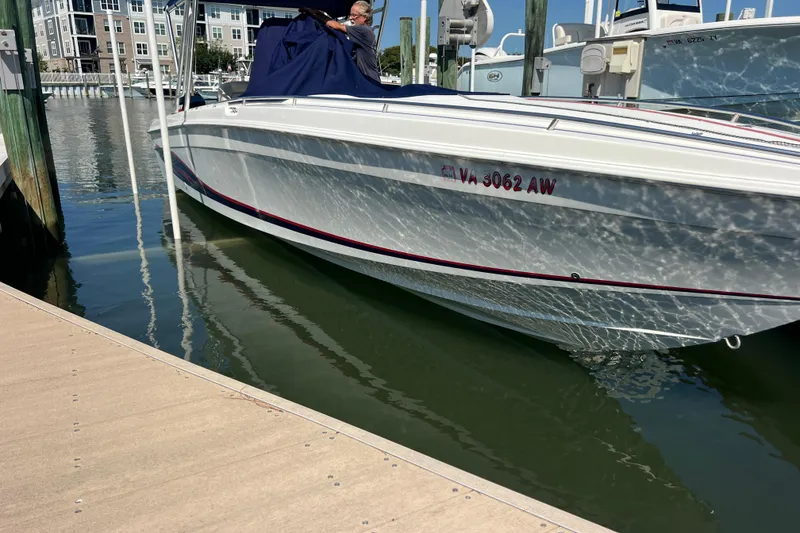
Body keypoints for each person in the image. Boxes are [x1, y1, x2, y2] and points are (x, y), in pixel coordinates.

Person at [324, 1, 380, 82]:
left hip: (369, 81)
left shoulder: (363, 30)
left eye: (354, 15)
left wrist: (316, 14)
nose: (350, 18)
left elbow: (337, 26)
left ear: (364, 17)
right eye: (350, 15)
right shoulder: (365, 31)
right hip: (365, 80)